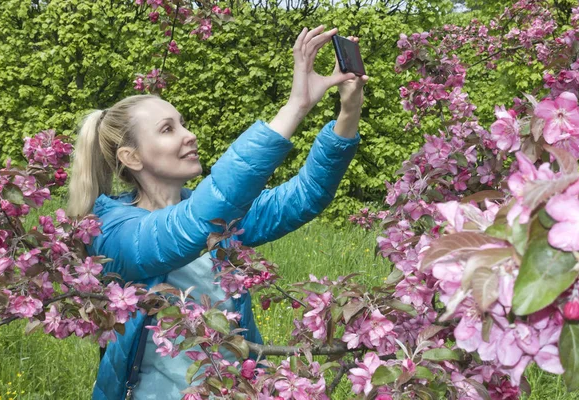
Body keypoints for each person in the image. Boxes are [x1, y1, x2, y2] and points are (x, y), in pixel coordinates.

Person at [67, 26, 368, 400]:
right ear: (131, 157)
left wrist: (349, 109)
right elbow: (189, 226)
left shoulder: (223, 219)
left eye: (182, 123)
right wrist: (296, 106)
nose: (188, 134)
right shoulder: (112, 231)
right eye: (167, 129)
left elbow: (305, 196)